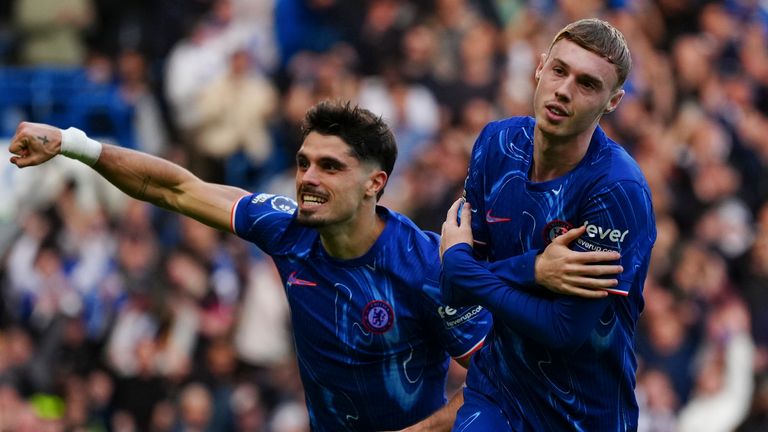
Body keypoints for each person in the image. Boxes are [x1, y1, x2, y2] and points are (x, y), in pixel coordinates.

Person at [8, 101, 492, 432]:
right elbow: (175, 189)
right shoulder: (288, 229)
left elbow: (496, 380)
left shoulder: (429, 264)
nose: (308, 178)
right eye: (304, 163)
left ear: (374, 183)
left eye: (330, 166)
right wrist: (74, 144)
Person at [439, 18, 657, 431]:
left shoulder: (617, 190)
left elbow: (562, 329)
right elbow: (455, 287)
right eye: (559, 70)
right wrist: (533, 269)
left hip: (583, 414)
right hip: (498, 395)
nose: (564, 90)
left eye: (587, 84)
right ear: (540, 68)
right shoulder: (495, 145)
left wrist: (467, 268)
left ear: (613, 101)